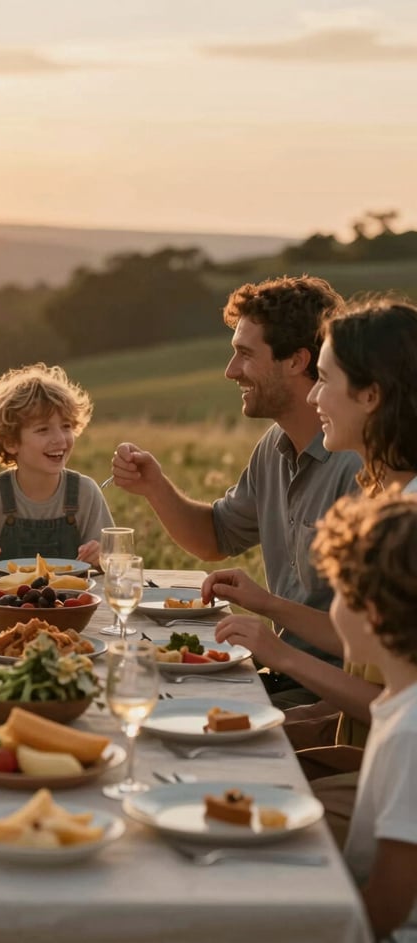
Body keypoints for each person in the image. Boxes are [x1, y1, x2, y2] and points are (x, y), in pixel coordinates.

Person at [210, 299, 417, 844]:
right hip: (365, 748)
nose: (313, 396)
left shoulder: (407, 524)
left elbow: (402, 711)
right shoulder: (386, 496)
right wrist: (266, 605)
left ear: (371, 395)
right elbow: (371, 646)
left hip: (391, 779)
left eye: (324, 380)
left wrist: (278, 653)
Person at [111, 275, 361, 706]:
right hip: (285, 677)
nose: (230, 371)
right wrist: (154, 486)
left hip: (332, 696)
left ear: (296, 361)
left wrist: (265, 606)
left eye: (245, 354)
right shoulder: (274, 447)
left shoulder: (358, 468)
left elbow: (375, 645)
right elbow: (215, 538)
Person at [312, 489, 417, 942]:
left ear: (370, 612)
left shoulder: (409, 732)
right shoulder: (398, 702)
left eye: (338, 592)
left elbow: (389, 904)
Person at [0, 363, 114, 567]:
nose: (60, 439)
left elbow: (114, 562)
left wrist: (103, 558)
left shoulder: (86, 492)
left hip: (73, 590)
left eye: (66, 426)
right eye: (43, 430)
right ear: (11, 442)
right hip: (4, 590)